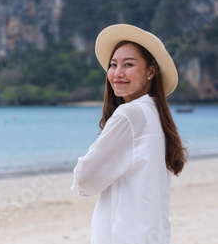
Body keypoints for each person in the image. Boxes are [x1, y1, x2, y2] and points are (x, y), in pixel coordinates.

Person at [70, 24, 187, 244]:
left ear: (151, 70)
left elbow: (84, 180)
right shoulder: (154, 114)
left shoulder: (130, 115)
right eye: (113, 65)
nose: (117, 73)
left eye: (129, 64)